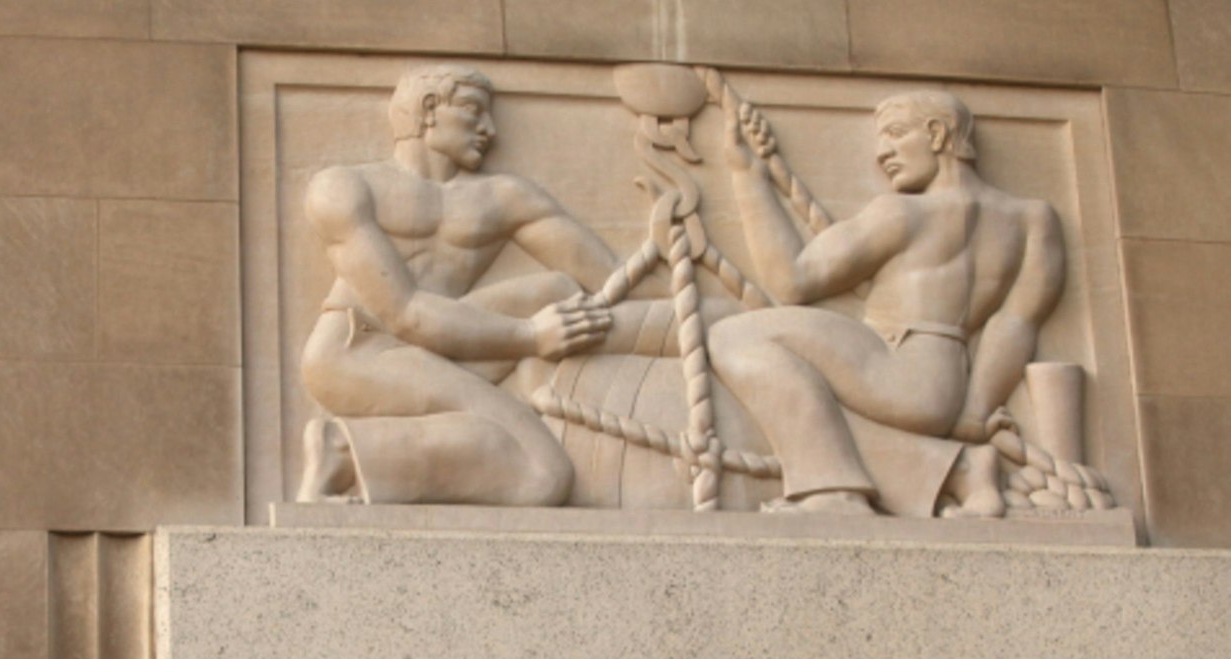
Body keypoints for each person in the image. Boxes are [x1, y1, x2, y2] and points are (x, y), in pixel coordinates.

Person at [708, 90, 1066, 517]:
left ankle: (834, 492)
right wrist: (973, 411)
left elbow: (792, 281)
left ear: (937, 134)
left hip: (894, 365)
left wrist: (747, 177)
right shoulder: (1034, 220)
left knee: (733, 336)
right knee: (787, 368)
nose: (882, 153)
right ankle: (961, 470)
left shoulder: (902, 214)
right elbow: (1015, 324)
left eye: (895, 133)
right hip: (945, 382)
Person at [294, 64, 624, 505]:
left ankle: (447, 427)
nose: (489, 129)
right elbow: (404, 313)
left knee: (558, 290)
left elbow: (614, 280)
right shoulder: (344, 188)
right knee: (544, 473)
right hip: (359, 351)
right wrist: (531, 336)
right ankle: (342, 452)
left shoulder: (505, 196)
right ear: (429, 109)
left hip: (435, 348)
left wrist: (676, 251)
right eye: (472, 109)